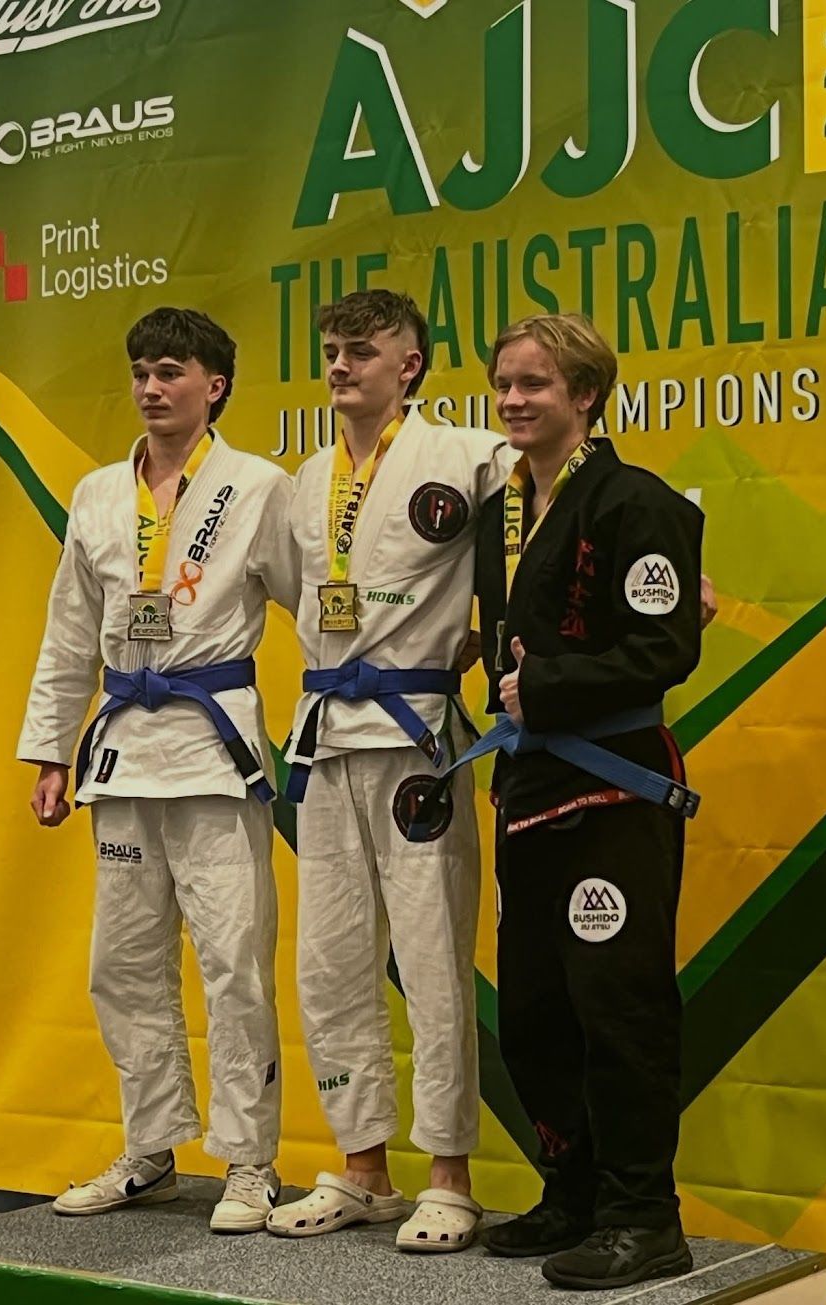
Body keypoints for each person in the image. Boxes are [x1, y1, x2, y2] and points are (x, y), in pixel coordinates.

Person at [17, 306, 299, 1233]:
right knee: (123, 965)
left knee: (235, 965)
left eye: (170, 370)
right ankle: (150, 1148)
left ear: (213, 384)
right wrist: (51, 749)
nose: (150, 387)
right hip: (124, 754)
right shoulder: (100, 493)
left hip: (214, 753)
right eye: (141, 370)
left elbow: (320, 603)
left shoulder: (259, 486)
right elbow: (68, 632)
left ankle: (252, 1162)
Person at [265, 290, 516, 1253]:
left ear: (408, 365)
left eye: (361, 351)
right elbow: (301, 599)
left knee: (433, 956)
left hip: (418, 739)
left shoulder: (466, 456)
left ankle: (449, 1172)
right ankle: (362, 1165)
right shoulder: (305, 480)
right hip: (328, 737)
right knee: (328, 960)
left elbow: (555, 508)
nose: (339, 366)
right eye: (331, 350)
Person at [471, 313, 703, 1288]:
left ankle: (645, 1217)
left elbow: (665, 648)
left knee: (619, 1007)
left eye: (536, 384)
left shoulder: (636, 504)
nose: (516, 400)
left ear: (585, 397)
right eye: (504, 384)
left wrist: (548, 686)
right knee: (532, 1012)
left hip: (616, 785)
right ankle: (570, 1194)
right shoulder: (498, 514)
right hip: (529, 787)